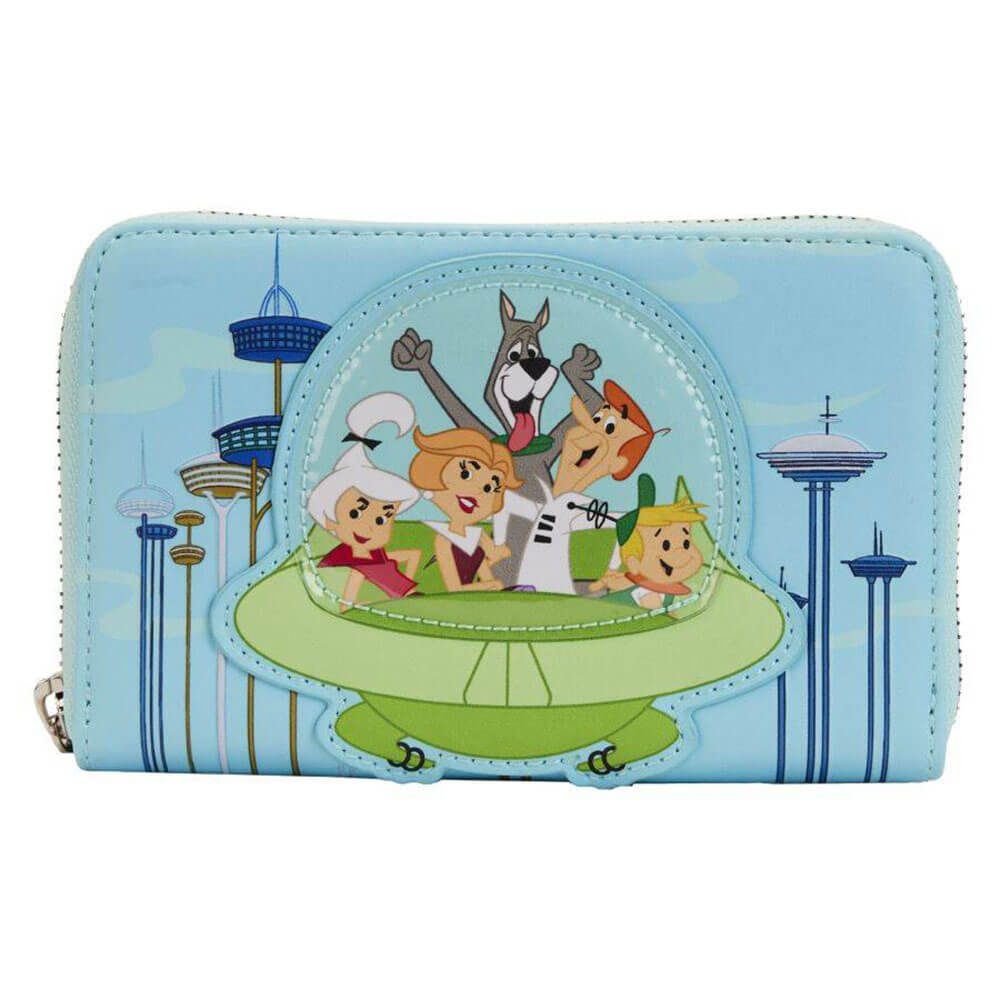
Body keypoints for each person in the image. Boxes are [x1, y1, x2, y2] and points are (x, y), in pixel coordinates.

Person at [498, 379, 666, 595]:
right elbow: (505, 505)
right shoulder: (547, 497)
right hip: (526, 590)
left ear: (618, 464)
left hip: (554, 594)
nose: (585, 434)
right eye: (596, 419)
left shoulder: (580, 507)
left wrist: (613, 569)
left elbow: (624, 526)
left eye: (609, 429)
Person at [306, 393, 422, 612]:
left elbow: (411, 555)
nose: (369, 528)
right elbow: (344, 606)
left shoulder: (375, 553)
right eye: (355, 514)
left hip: (406, 598)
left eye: (382, 519)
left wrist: (408, 580)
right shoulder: (347, 563)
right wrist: (379, 604)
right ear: (330, 520)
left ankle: (408, 595)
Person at [409, 427, 522, 592]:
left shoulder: (475, 536)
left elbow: (486, 574)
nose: (477, 491)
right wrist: (493, 584)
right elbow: (454, 588)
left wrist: (493, 581)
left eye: (489, 488)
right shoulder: (444, 540)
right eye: (465, 474)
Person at [593, 474, 706, 611]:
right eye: (666, 546)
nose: (681, 552)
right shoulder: (646, 590)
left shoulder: (668, 585)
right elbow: (654, 609)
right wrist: (606, 581)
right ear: (634, 561)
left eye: (686, 543)